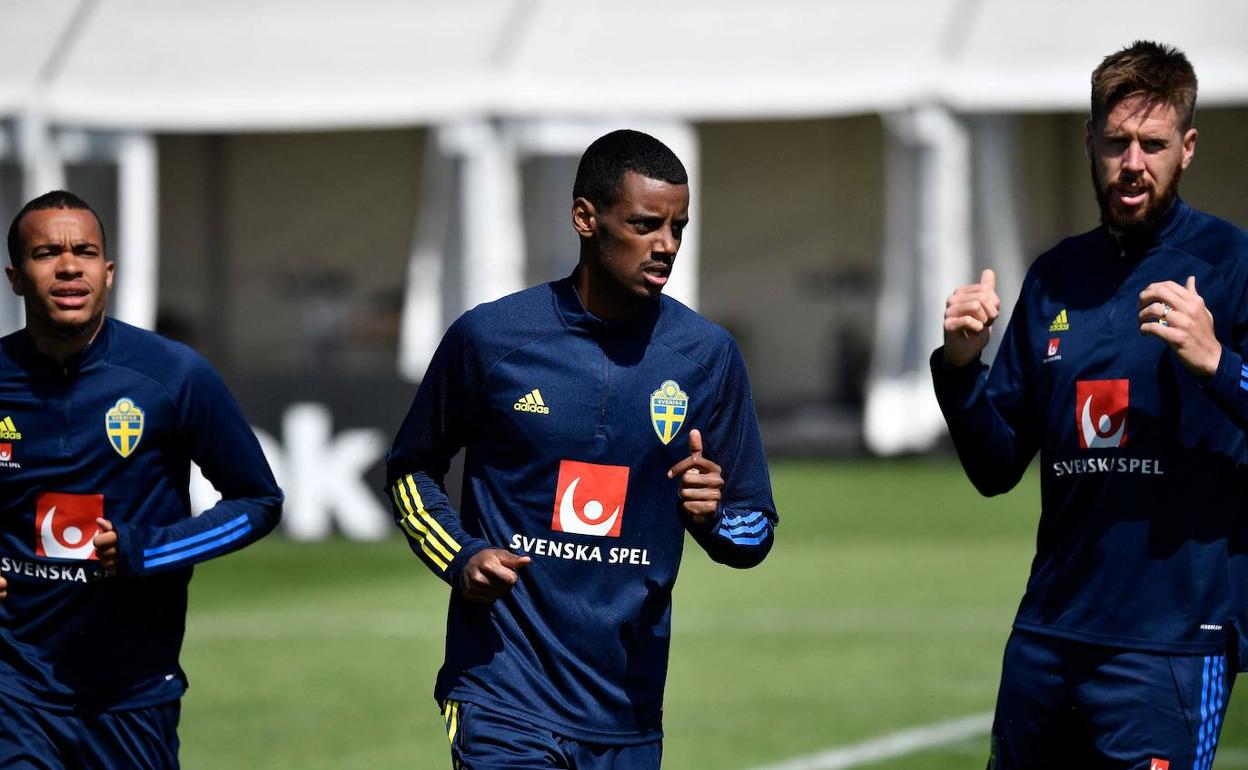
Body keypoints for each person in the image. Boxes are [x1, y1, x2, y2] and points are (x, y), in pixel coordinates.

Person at [386, 129, 777, 768]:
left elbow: (753, 529)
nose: (667, 245)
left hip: (626, 710)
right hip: (503, 692)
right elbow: (410, 468)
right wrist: (461, 557)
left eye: (678, 227)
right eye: (646, 224)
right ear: (585, 218)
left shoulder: (706, 356)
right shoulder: (492, 339)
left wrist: (712, 517)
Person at [933, 41, 1248, 768]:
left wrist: (1219, 364)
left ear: (1188, 147)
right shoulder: (1054, 278)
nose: (1132, 162)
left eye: (1153, 143)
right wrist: (958, 367)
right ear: (1090, 141)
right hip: (1049, 637)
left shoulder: (1231, 266)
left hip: (1170, 644)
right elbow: (994, 466)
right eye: (1116, 142)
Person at [0, 191, 283, 768]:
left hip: (132, 693)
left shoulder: (173, 375)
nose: (69, 265)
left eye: (84, 251)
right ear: (15, 277)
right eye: (46, 252)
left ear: (108, 273)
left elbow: (259, 500)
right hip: (14, 686)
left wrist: (148, 550)